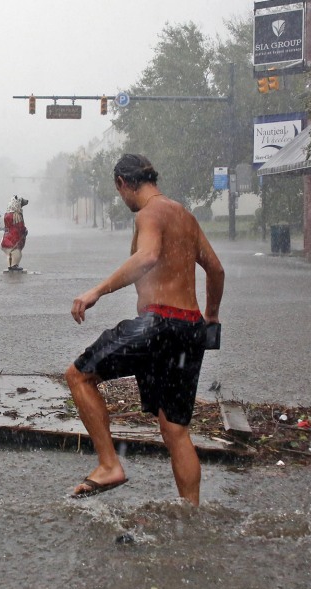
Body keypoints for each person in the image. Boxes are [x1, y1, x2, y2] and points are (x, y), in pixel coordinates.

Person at [64, 154, 224, 505]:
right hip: (189, 328)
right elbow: (216, 270)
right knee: (175, 430)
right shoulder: (184, 215)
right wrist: (210, 317)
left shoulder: (149, 213)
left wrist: (97, 291)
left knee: (78, 376)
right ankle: (190, 514)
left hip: (158, 325)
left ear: (123, 183)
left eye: (119, 191)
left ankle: (109, 464)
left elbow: (148, 257)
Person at [1, 195, 29, 271]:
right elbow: (20, 226)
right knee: (17, 253)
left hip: (6, 238)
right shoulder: (16, 215)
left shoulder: (7, 215)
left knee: (10, 253)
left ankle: (10, 265)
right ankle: (14, 266)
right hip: (14, 240)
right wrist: (24, 230)